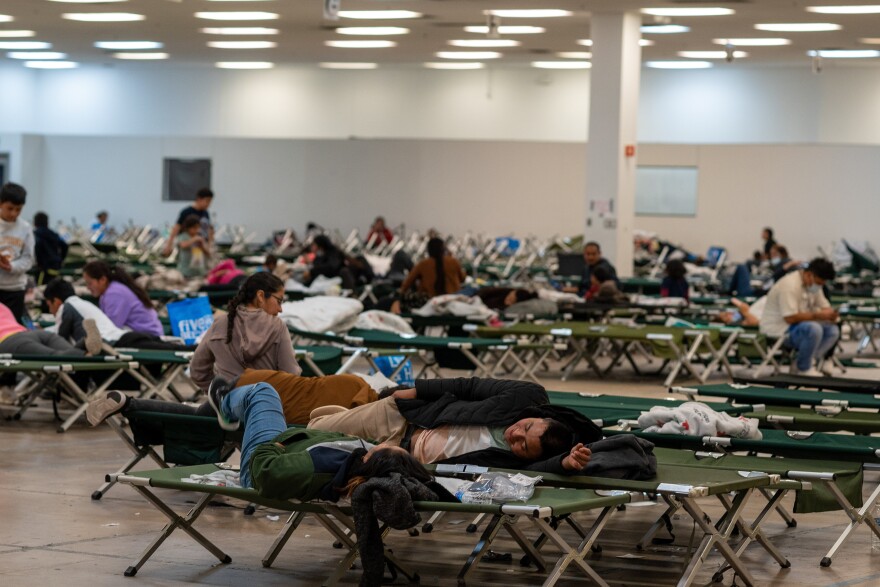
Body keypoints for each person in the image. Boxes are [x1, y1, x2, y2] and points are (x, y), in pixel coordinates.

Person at [209, 380, 452, 586]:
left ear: (374, 459)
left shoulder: (321, 467)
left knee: (262, 391)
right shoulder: (361, 457)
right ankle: (229, 419)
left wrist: (273, 447)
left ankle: (225, 405)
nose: (391, 444)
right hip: (295, 445)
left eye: (390, 448)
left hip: (261, 462)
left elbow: (267, 474)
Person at [306, 376, 598, 474]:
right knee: (315, 431)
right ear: (541, 415)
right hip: (406, 416)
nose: (516, 435)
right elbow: (467, 386)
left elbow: (540, 471)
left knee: (315, 451)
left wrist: (564, 464)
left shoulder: (517, 466)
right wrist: (414, 391)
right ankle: (326, 417)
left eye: (523, 446)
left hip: (401, 455)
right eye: (526, 426)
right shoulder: (527, 396)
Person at [189, 272, 301, 391]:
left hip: (228, 406)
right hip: (267, 405)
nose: (280, 309)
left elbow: (197, 370)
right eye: (279, 301)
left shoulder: (220, 324)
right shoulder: (277, 326)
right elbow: (291, 375)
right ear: (260, 296)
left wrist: (220, 394)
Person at [44, 278, 192, 351]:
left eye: (49, 305)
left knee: (172, 349)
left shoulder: (67, 307)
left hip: (117, 342)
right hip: (125, 336)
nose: (51, 310)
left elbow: (59, 340)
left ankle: (194, 349)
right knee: (171, 347)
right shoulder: (82, 303)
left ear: (56, 301)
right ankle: (194, 348)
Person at [759, 258, 839, 376]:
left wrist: (831, 315)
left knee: (832, 330)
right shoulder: (789, 285)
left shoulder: (814, 284)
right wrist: (818, 315)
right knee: (813, 329)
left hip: (798, 326)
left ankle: (802, 361)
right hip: (779, 329)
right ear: (809, 275)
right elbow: (790, 318)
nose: (820, 286)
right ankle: (804, 368)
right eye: (819, 283)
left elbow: (824, 306)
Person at [82, 260, 164, 338]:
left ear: (103, 280)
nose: (88, 287)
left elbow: (111, 328)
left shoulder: (114, 293)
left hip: (150, 337)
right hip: (143, 334)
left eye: (90, 283)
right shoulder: (110, 291)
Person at [0, 301, 101, 356]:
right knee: (69, 351)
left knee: (55, 357)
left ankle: (84, 355)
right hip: (33, 333)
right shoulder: (2, 305)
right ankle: (85, 343)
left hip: (8, 341)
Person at [0, 182, 35, 324]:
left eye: (18, 210)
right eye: (10, 208)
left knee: (10, 333)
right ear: (1, 203)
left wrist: (12, 266)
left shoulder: (25, 228)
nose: (14, 213)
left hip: (15, 290)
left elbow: (28, 258)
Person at [399, 237, 465, 300]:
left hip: (430, 301)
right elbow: (462, 279)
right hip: (454, 299)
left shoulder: (423, 264)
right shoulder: (453, 261)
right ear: (443, 249)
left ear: (429, 250)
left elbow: (407, 283)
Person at [162, 188, 214, 257]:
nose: (208, 204)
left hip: (202, 249)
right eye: (207, 201)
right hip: (188, 248)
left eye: (210, 202)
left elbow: (209, 231)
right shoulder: (187, 212)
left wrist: (209, 246)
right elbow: (176, 228)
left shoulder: (206, 213)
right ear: (199, 199)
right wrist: (169, 245)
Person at [32, 212, 69, 286]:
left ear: (34, 223)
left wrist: (39, 263)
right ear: (47, 222)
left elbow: (37, 248)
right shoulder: (53, 234)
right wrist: (61, 258)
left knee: (41, 291)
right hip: (55, 267)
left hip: (43, 270)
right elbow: (65, 245)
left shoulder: (35, 235)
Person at [176, 214, 208, 279]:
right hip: (185, 271)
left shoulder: (199, 237)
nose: (197, 230)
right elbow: (183, 245)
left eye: (198, 228)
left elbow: (208, 252)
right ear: (188, 228)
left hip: (198, 271)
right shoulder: (183, 236)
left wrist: (202, 246)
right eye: (194, 228)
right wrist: (194, 240)